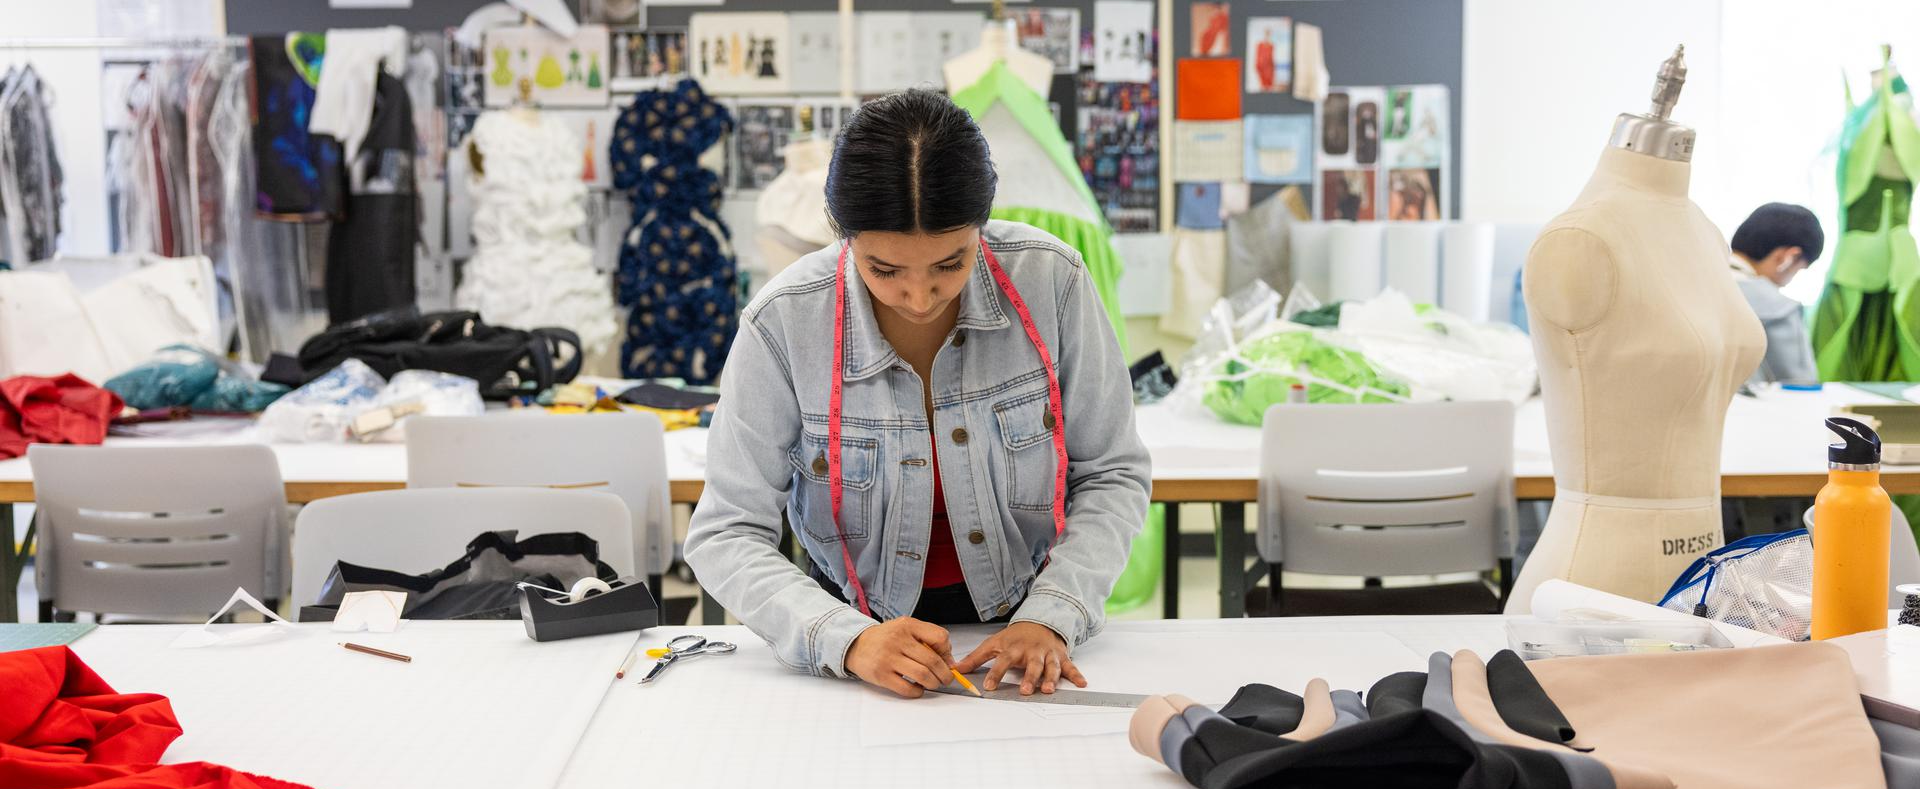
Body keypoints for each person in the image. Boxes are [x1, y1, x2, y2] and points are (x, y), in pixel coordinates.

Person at [685, 89, 1151, 700]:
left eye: (951, 263)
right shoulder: (784, 322)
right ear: (843, 235)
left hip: (1026, 627)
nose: (921, 296)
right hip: (855, 636)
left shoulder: (1051, 281)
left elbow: (1111, 472)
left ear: (980, 225)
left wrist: (1053, 611)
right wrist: (845, 639)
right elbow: (726, 532)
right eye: (885, 271)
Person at [1728, 202, 1824, 386]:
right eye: (1799, 269)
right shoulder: (1778, 309)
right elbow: (1801, 383)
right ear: (1788, 257)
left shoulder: (1692, 283)